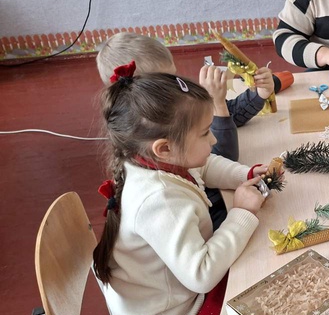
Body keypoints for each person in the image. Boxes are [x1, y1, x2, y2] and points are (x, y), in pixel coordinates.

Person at [92, 71, 274, 315]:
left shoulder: (152, 160)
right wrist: (243, 213)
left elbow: (204, 166)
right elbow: (201, 275)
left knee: (260, 269)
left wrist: (245, 173)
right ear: (164, 148)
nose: (213, 140)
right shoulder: (159, 200)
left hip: (169, 297)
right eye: (205, 133)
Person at [96, 32, 293, 229]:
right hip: (211, 214)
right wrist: (217, 103)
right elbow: (214, 154)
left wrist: (258, 95)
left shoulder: (170, 109)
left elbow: (206, 161)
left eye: (174, 77)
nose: (175, 86)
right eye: (166, 83)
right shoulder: (162, 200)